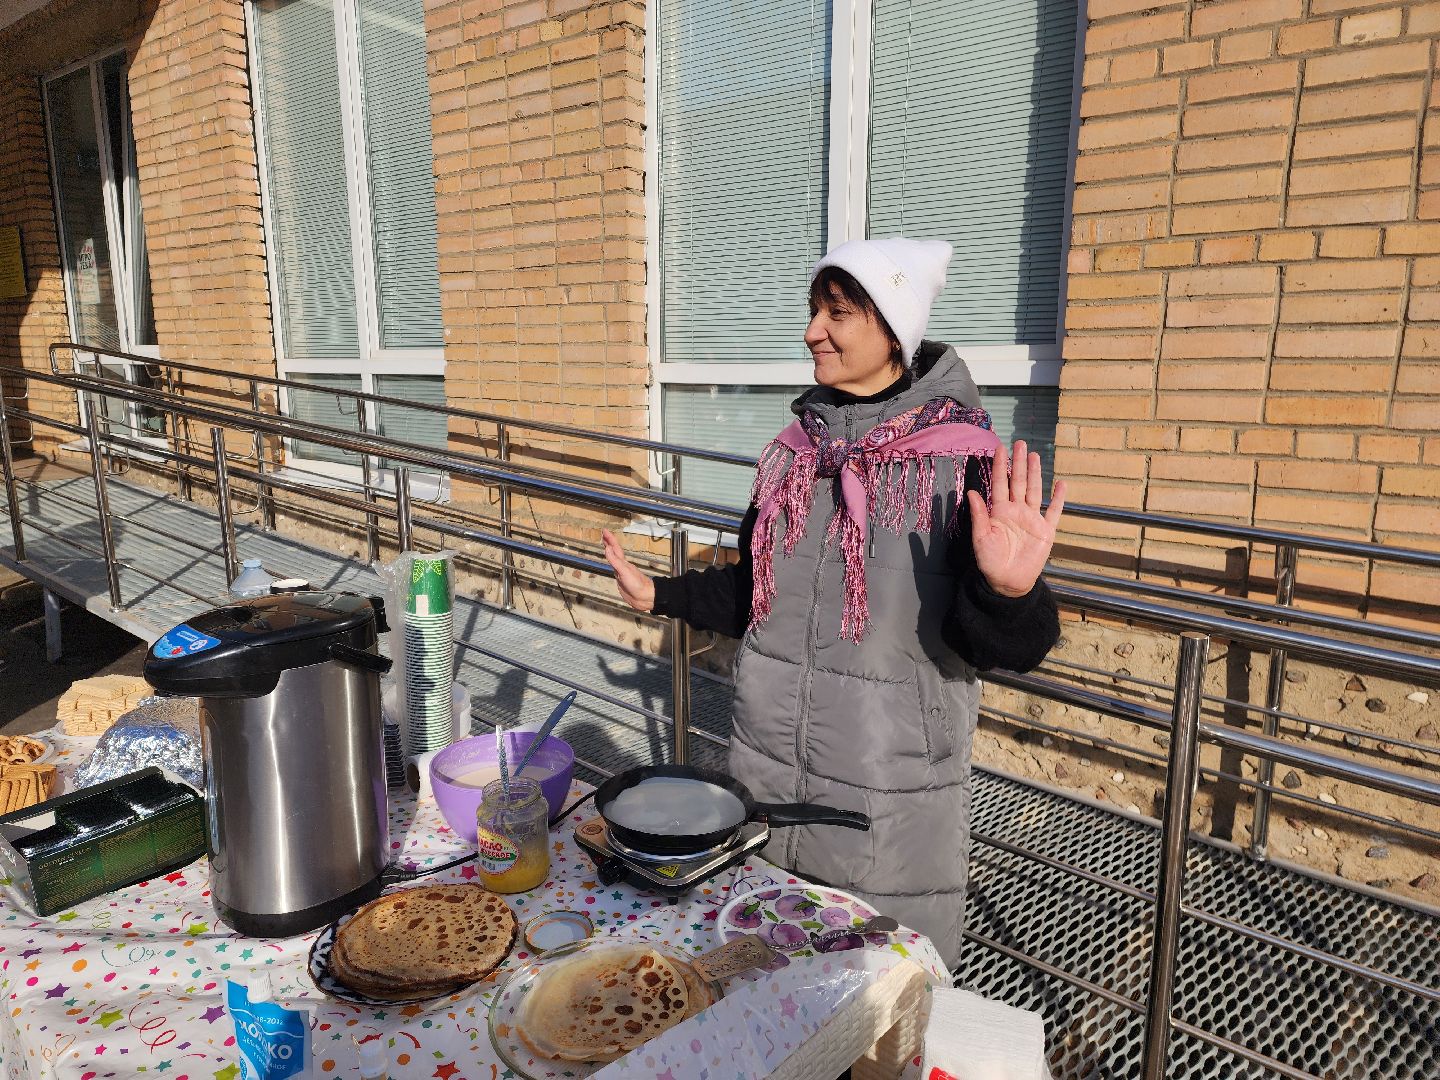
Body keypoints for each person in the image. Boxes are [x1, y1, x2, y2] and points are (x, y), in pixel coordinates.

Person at [602, 237, 1065, 969]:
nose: (813, 329)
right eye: (815, 309)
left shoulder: (962, 464)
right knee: (757, 992)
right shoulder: (793, 457)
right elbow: (758, 590)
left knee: (867, 1007)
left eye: (838, 313)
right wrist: (660, 593)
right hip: (765, 779)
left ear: (894, 331)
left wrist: (1011, 593)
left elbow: (1016, 645)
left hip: (886, 801)